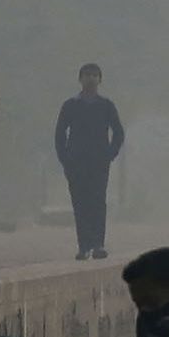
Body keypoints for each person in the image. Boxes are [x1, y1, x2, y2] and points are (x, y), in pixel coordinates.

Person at [54, 63, 126, 261]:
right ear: (80, 79)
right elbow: (60, 134)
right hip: (76, 162)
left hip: (99, 163)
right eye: (87, 75)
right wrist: (65, 158)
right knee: (80, 203)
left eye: (94, 75)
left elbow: (118, 132)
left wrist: (110, 154)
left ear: (100, 80)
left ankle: (98, 244)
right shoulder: (70, 105)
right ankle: (83, 246)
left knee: (97, 202)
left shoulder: (106, 106)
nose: (91, 78)